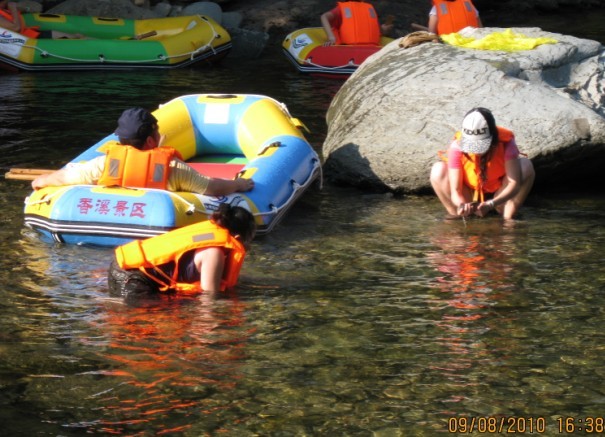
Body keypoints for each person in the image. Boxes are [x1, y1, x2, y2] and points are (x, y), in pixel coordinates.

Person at [31, 107, 255, 195]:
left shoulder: (103, 164)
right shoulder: (173, 168)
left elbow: (59, 178)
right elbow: (211, 187)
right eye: (157, 131)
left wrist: (40, 181)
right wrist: (238, 184)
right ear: (151, 140)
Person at [108, 203, 257, 298]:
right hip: (131, 277)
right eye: (248, 242)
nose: (248, 248)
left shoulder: (209, 233)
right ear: (237, 237)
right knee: (155, 316)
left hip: (123, 266)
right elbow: (208, 299)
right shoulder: (214, 253)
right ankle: (109, 304)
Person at [430, 107, 535, 220]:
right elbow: (455, 190)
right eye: (471, 145)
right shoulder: (457, 146)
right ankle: (456, 216)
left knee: (525, 166)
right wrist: (461, 205)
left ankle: (508, 219)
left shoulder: (506, 143)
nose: (475, 151)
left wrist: (491, 204)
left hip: (499, 191)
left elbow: (513, 184)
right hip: (469, 190)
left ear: (493, 137)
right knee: (438, 170)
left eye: (480, 145)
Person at [320, 1, 393, 46]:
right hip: (361, 49)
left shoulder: (369, 9)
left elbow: (324, 17)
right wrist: (331, 37)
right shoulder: (369, 9)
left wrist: (383, 30)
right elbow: (324, 17)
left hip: (359, 49)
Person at [0, 0, 85, 39]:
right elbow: (15, 28)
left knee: (76, 36)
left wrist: (20, 8)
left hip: (31, 36)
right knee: (76, 36)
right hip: (27, 42)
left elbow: (35, 8)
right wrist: (13, 8)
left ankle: (94, 44)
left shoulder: (4, 10)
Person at [412, 0, 481, 35]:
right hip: (473, 39)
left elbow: (431, 32)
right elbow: (480, 27)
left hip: (450, 43)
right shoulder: (467, 3)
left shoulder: (437, 8)